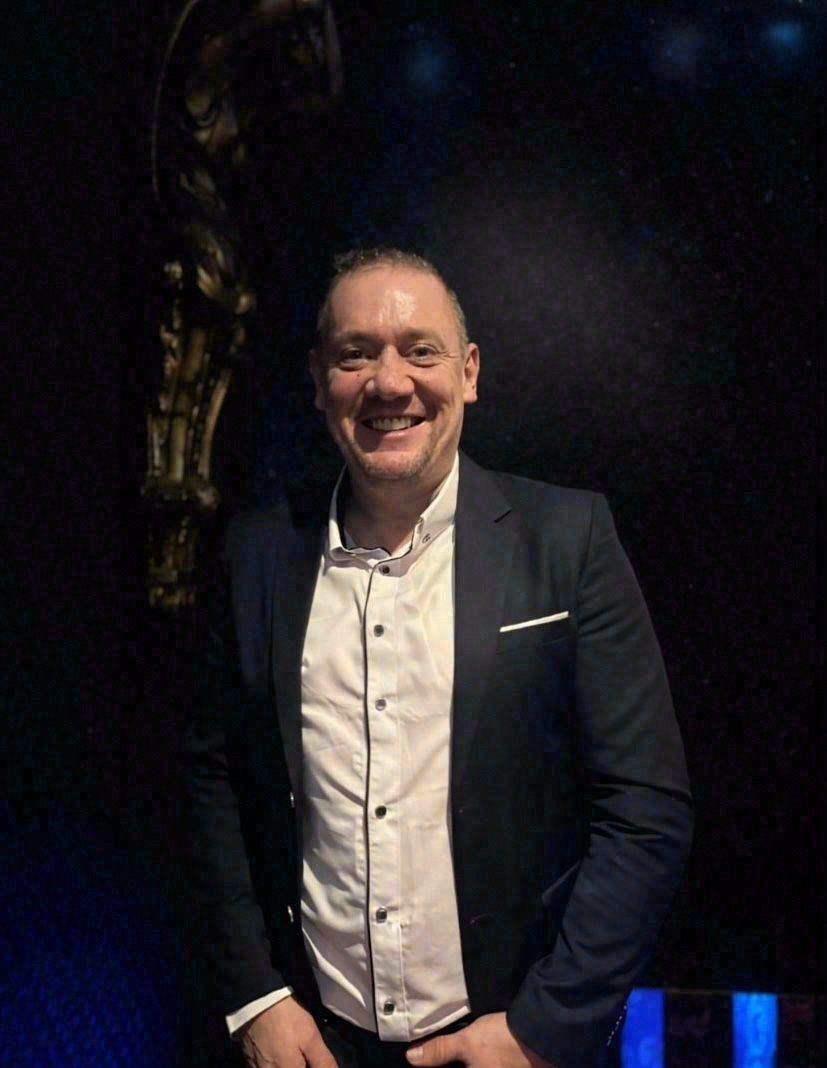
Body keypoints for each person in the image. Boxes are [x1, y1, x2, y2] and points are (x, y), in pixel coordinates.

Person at [183, 247, 693, 1068]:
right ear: (319, 380)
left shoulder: (568, 541)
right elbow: (210, 778)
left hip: (509, 1038)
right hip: (313, 1041)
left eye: (420, 350)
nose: (389, 383)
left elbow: (644, 809)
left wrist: (546, 1029)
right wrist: (254, 994)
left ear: (468, 372)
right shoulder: (256, 553)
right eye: (355, 354)